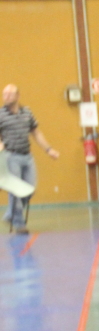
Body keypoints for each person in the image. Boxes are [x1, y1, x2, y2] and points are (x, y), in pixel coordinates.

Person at [0, 85, 59, 234]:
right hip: (10, 156)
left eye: (10, 93)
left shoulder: (27, 112)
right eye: (4, 94)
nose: (6, 96)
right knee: (16, 191)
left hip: (27, 156)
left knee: (29, 189)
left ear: (17, 95)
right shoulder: (1, 114)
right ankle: (19, 224)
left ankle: (10, 214)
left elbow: (36, 133)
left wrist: (49, 149)